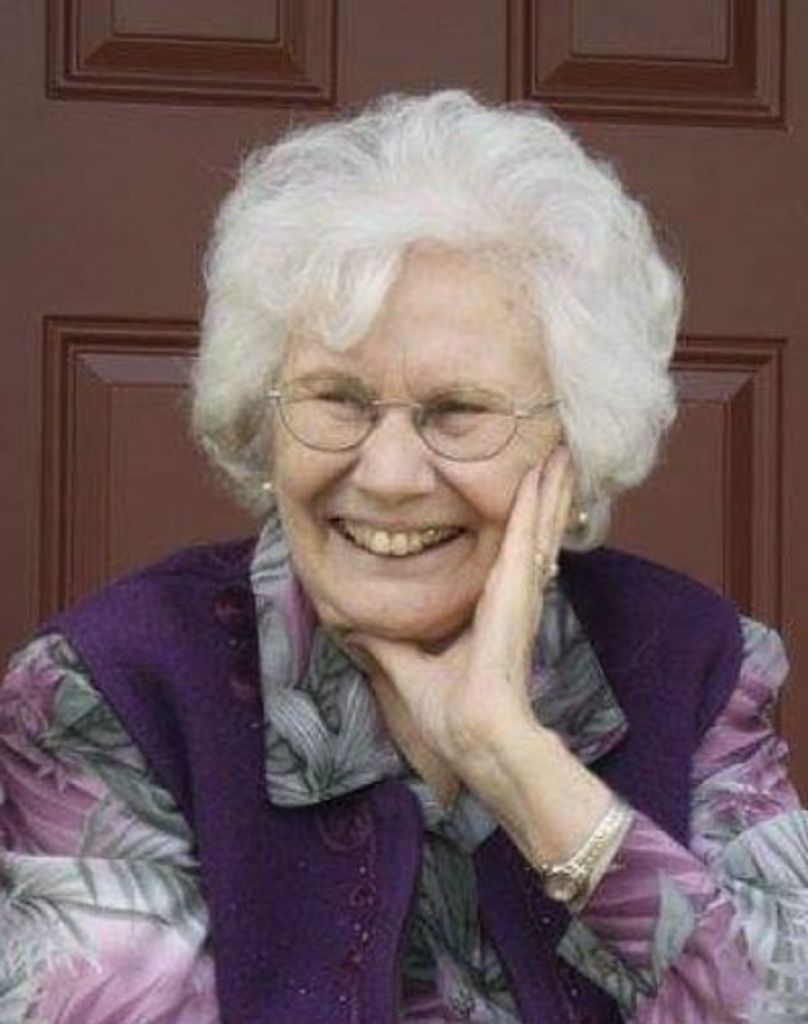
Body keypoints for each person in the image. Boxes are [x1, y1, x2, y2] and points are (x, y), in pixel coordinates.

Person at [1, 91, 806, 1024]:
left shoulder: (690, 663)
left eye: (456, 412)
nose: (385, 475)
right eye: (336, 400)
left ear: (575, 443)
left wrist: (522, 769)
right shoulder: (116, 689)